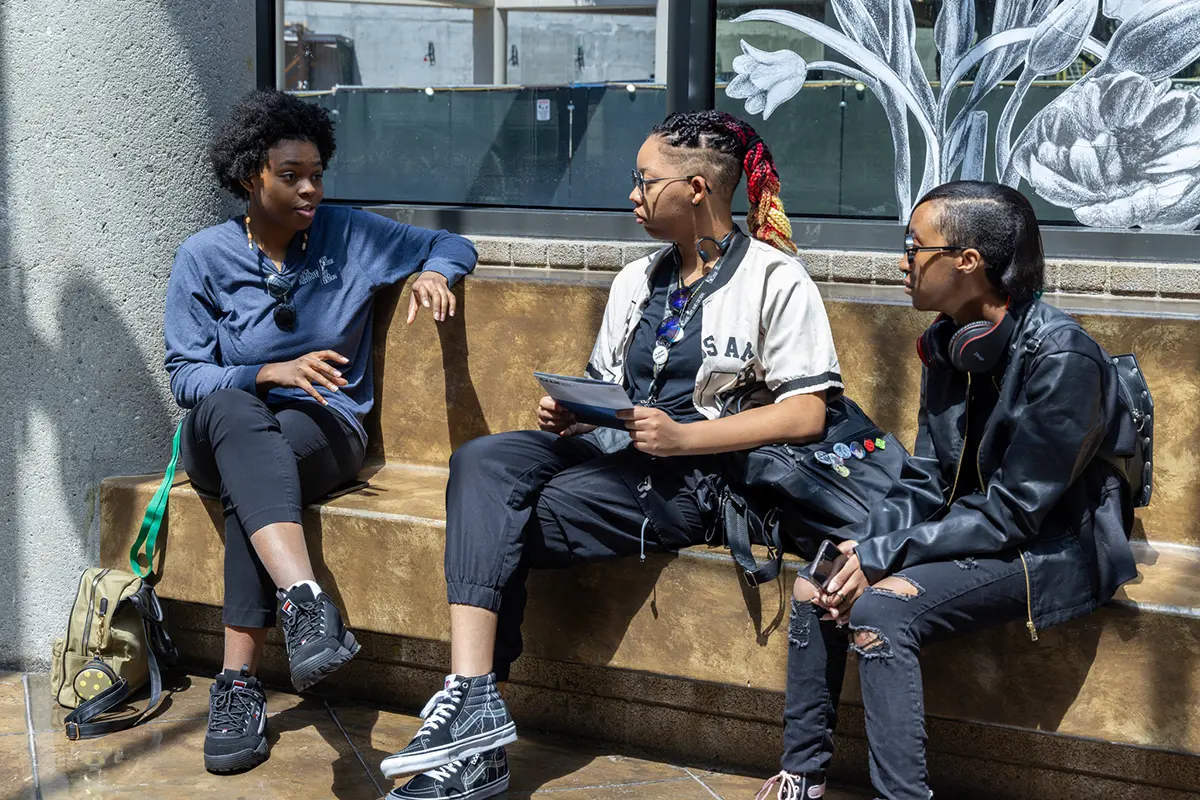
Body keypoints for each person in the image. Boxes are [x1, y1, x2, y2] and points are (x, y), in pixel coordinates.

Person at [378, 109, 844, 800]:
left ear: (695, 188)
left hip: (696, 483)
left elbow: (809, 411)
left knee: (499, 526)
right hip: (613, 458)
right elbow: (611, 392)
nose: (631, 195)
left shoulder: (774, 280)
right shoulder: (636, 281)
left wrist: (684, 436)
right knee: (483, 461)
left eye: (643, 181)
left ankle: (476, 749)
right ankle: (473, 698)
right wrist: (577, 412)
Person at [758, 181, 1137, 800]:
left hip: (1050, 548)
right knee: (815, 579)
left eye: (914, 245)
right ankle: (803, 774)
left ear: (968, 261)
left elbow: (1016, 512)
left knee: (882, 609)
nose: (902, 259)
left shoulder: (1063, 358)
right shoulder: (952, 344)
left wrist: (882, 559)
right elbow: (926, 477)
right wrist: (858, 547)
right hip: (971, 530)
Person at [163, 89, 477, 774]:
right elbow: (186, 376)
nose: (310, 187)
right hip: (222, 434)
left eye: (317, 173)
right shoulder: (204, 256)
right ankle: (304, 602)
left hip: (325, 431)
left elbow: (450, 241)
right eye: (291, 175)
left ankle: (240, 682)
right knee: (233, 413)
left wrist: (433, 270)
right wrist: (267, 372)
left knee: (257, 481)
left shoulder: (351, 234)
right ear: (252, 176)